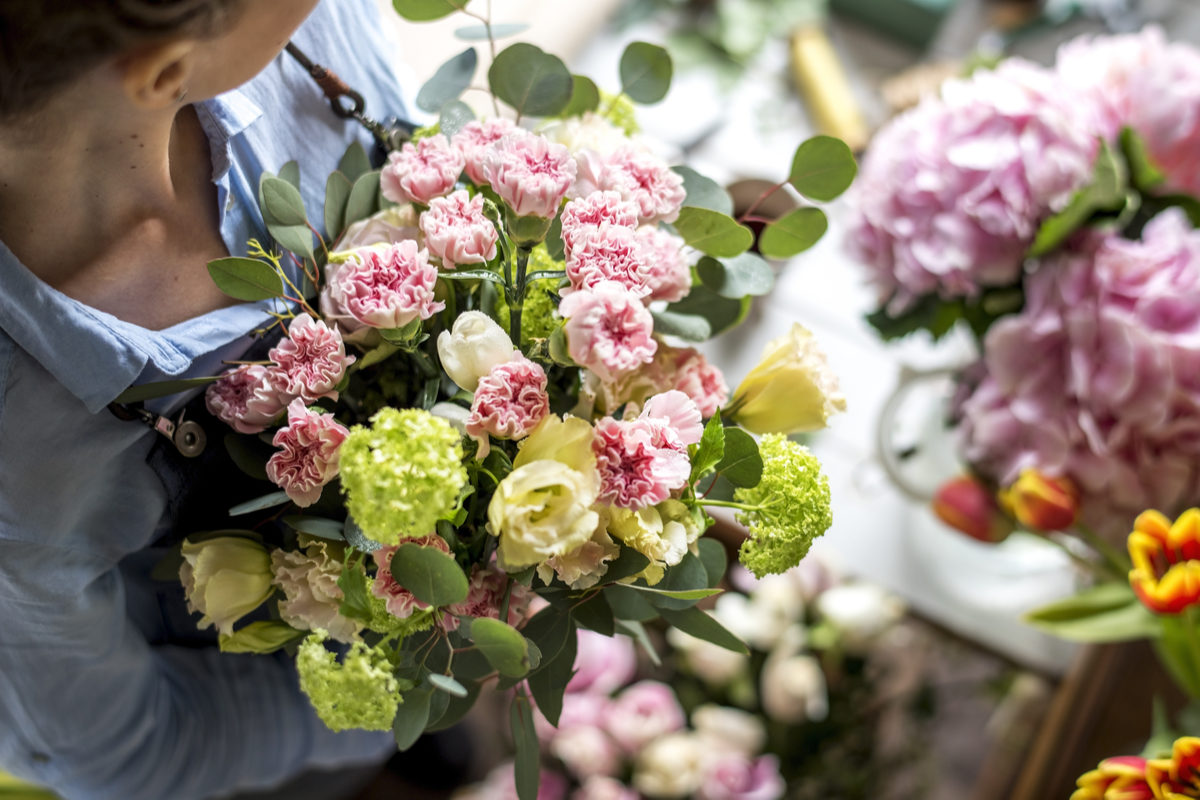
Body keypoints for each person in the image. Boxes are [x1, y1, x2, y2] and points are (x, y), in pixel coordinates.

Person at [0, 1, 418, 797]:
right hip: (282, 726)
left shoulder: (296, 31)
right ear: (163, 70)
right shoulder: (19, 454)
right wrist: (412, 689)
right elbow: (123, 752)